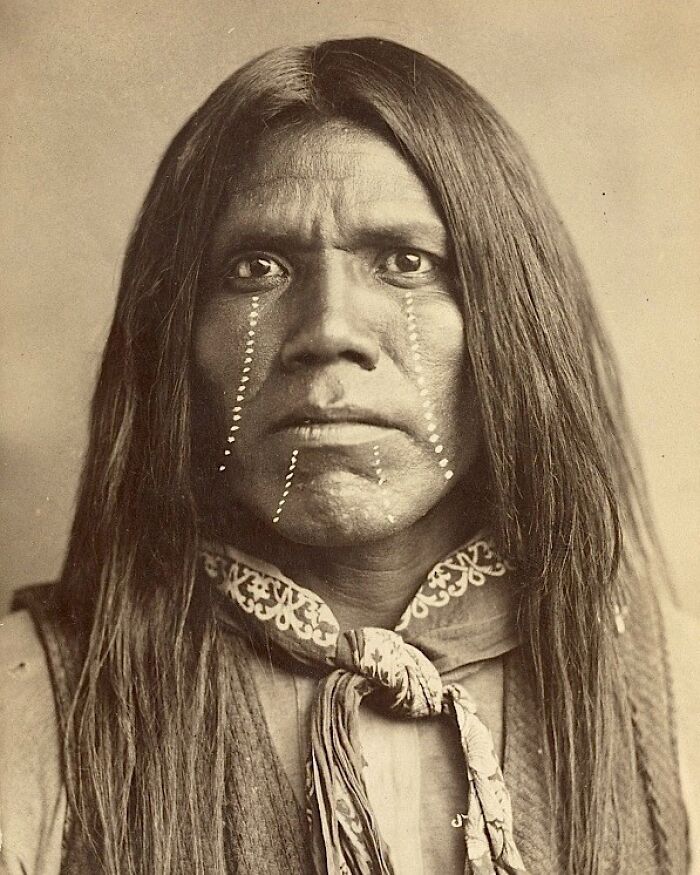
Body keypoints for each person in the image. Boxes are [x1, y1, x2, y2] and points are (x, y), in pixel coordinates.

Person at [0, 36, 696, 875]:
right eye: (256, 269)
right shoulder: (27, 709)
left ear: (510, 325)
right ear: (175, 340)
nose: (328, 329)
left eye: (406, 263)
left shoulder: (680, 706)